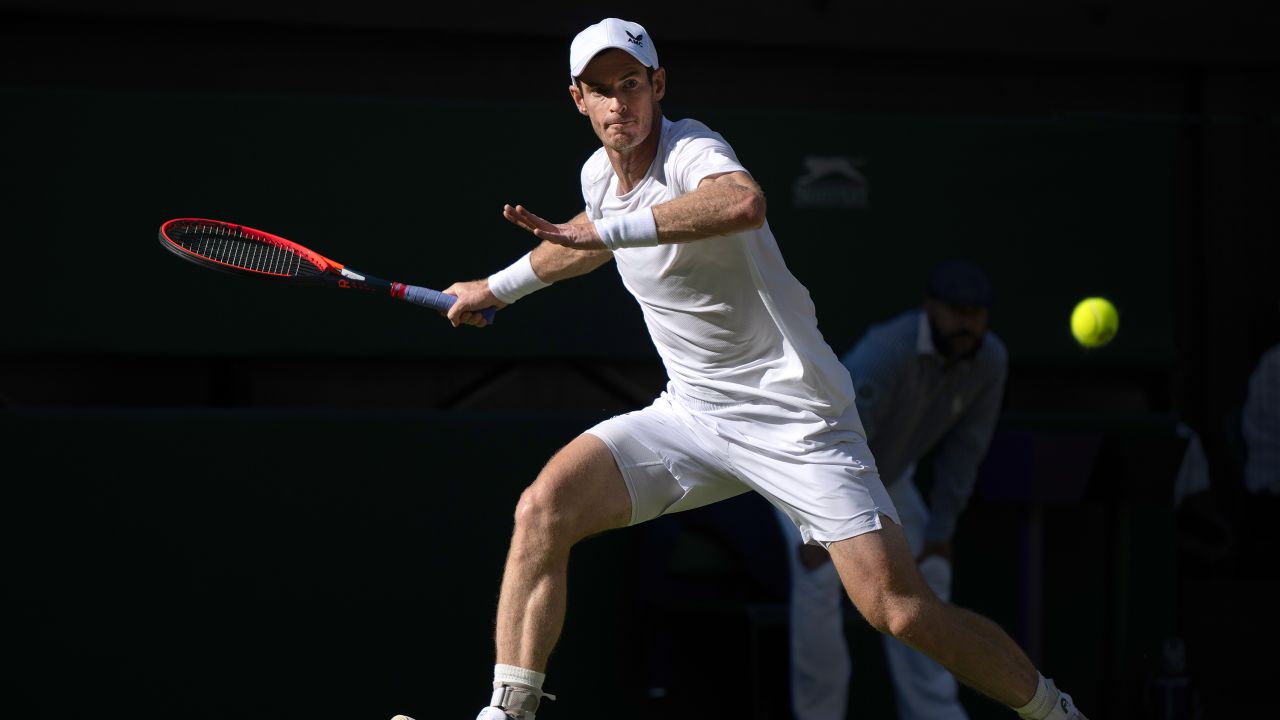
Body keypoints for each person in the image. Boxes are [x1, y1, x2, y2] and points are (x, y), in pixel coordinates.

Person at [391, 18, 1088, 720]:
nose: (618, 105)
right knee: (543, 508)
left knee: (898, 611)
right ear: (578, 98)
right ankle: (507, 713)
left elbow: (739, 202)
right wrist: (495, 288)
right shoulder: (599, 178)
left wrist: (602, 228)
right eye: (600, 91)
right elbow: (584, 241)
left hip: (799, 419)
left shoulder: (693, 148)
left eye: (631, 85)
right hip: (691, 415)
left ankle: (1054, 712)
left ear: (658, 85)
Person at [774, 259, 1008, 720]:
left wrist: (940, 534)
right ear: (930, 309)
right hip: (808, 469)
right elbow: (827, 440)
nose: (967, 324)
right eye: (957, 311)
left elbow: (966, 452)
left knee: (930, 577)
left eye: (976, 314)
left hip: (888, 475)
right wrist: (826, 527)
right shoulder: (886, 354)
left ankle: (935, 712)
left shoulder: (990, 360)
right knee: (820, 579)